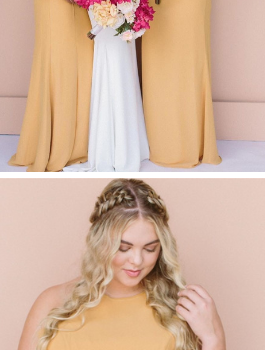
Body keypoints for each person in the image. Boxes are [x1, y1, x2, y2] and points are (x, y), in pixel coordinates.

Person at [17, 179, 226, 350]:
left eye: (150, 248)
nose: (137, 261)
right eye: (124, 248)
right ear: (101, 243)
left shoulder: (185, 307)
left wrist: (212, 339)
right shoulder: (53, 302)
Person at [8, 0, 94, 172]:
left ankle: (79, 144)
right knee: (58, 57)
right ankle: (57, 143)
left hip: (83, 6)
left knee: (85, 55)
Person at [64, 4, 150, 172]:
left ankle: (126, 149)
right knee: (112, 64)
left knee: (122, 64)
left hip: (121, 10)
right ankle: (113, 150)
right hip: (101, 9)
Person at [141, 0, 222, 168]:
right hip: (156, 5)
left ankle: (189, 145)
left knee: (189, 65)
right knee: (159, 66)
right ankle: (163, 144)